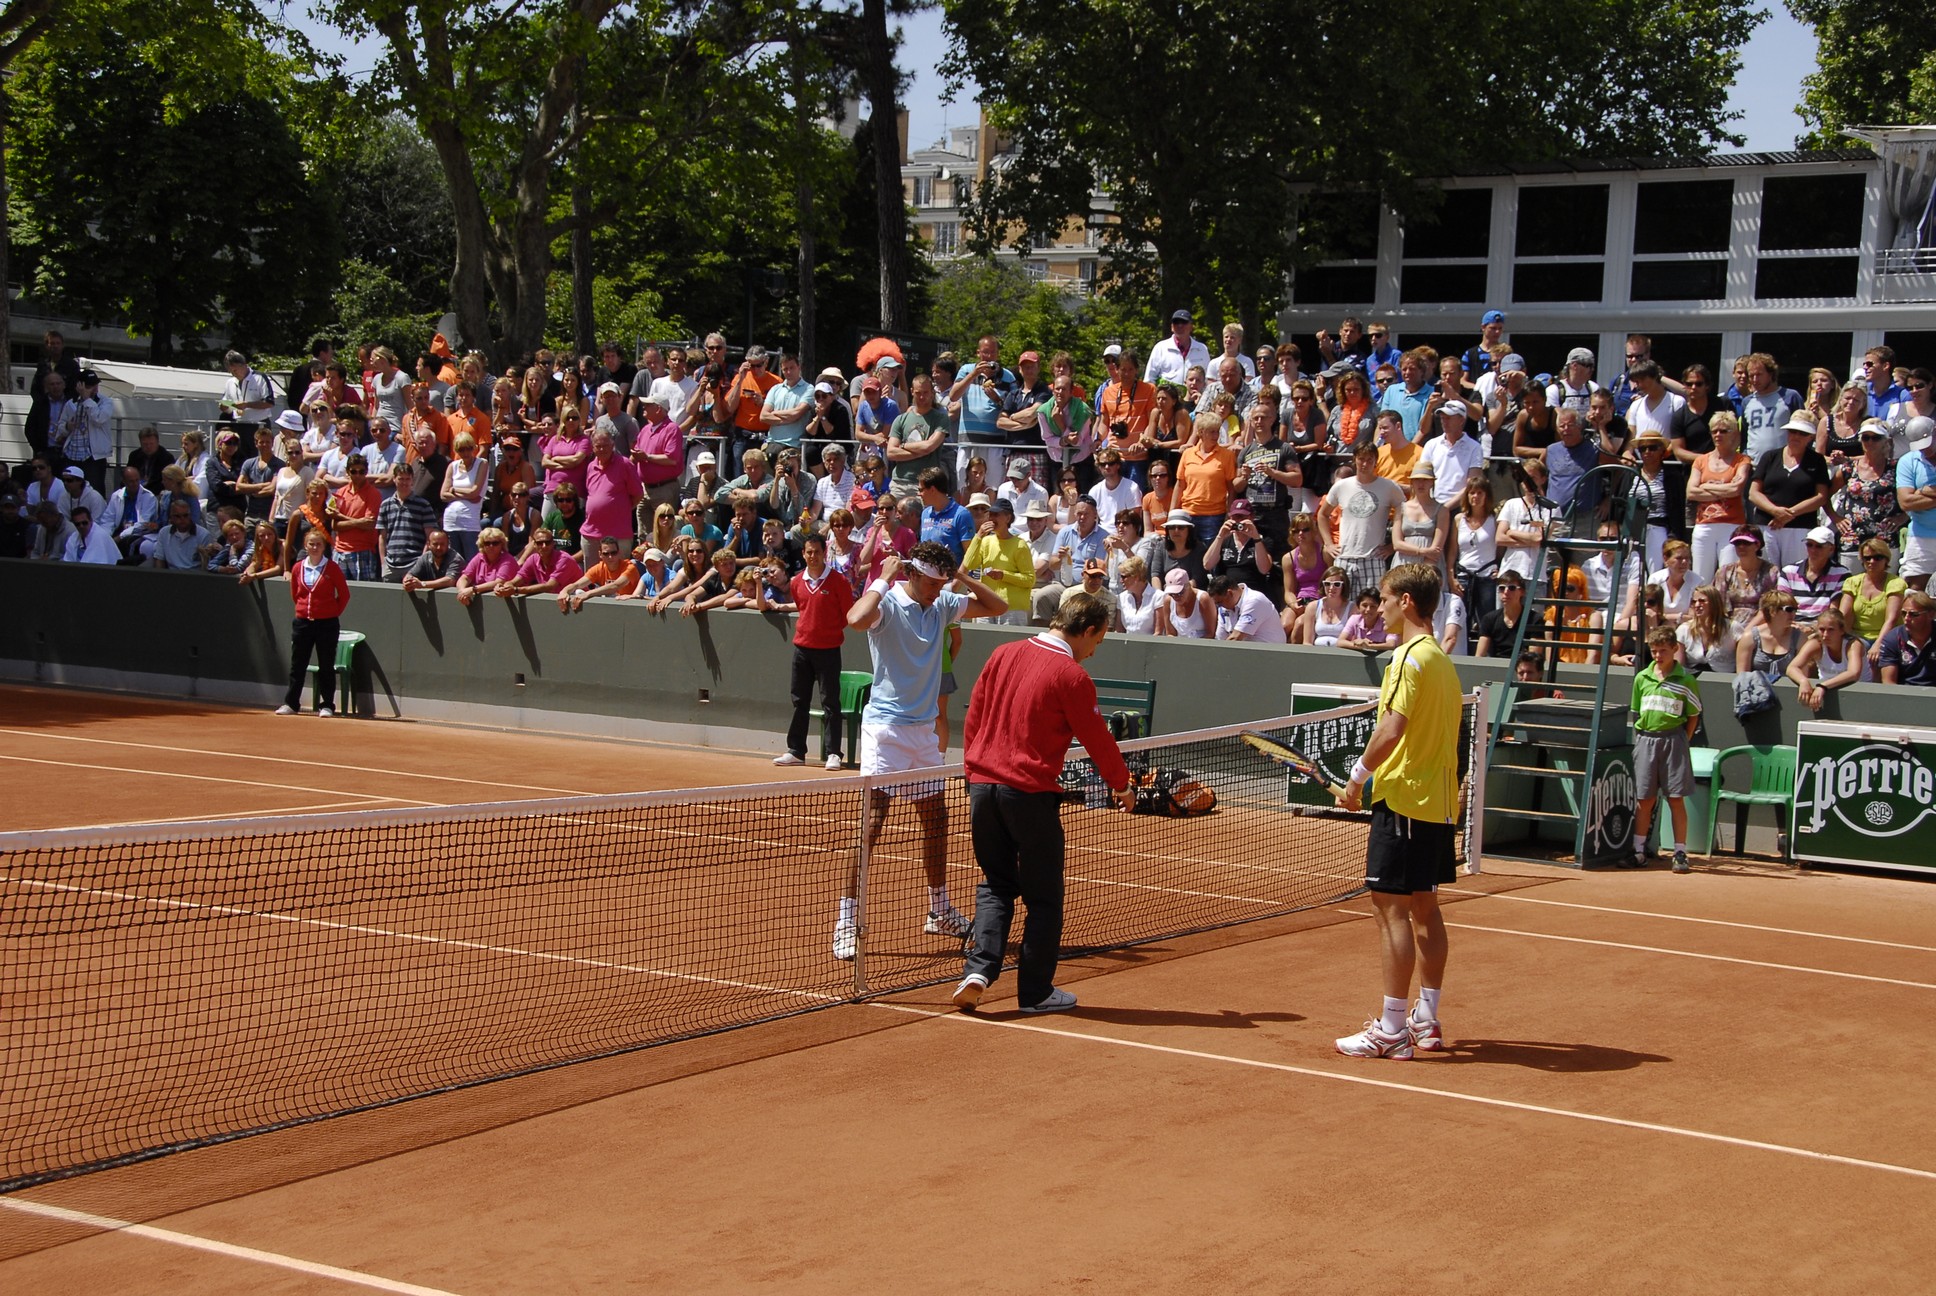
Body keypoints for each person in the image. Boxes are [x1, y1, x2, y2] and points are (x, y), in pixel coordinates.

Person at [950, 593, 1134, 1015]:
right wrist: (1122, 786)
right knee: (1043, 897)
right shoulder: (1072, 676)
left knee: (996, 885)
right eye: (1098, 641)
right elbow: (1097, 738)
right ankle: (1035, 993)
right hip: (1028, 796)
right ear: (1086, 630)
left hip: (983, 789)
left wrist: (972, 775)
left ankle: (978, 971)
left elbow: (974, 719)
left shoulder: (1002, 652)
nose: (1094, 650)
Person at [831, 544, 1007, 961]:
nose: (936, 590)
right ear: (910, 574)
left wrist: (959, 577)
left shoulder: (943, 603)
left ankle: (939, 909)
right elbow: (854, 619)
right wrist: (881, 576)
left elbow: (997, 604)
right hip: (886, 732)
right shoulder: (886, 604)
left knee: (937, 820)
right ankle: (846, 919)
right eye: (931, 583)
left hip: (924, 732)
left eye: (940, 583)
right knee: (872, 824)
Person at [1333, 563, 1461, 1059]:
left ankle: (1391, 1027)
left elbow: (1393, 726)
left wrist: (1357, 777)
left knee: (1390, 910)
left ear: (1406, 601)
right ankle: (1426, 1020)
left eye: (1385, 599)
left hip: (1405, 798)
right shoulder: (1444, 663)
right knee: (1425, 908)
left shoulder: (1407, 659)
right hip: (1436, 804)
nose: (1378, 608)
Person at [767, 532, 856, 770]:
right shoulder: (796, 582)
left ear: (824, 553)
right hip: (802, 650)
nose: (813, 556)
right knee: (799, 701)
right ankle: (796, 750)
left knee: (830, 702)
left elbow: (847, 614)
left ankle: (833, 753)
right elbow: (801, 606)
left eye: (817, 552)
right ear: (804, 554)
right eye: (808, 552)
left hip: (828, 650)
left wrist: (828, 632)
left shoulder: (838, 581)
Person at [1627, 627, 1702, 874]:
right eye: (1654, 651)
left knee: (1675, 799)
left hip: (1674, 742)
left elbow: (1693, 715)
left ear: (1675, 649)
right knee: (1644, 800)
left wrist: (1683, 740)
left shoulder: (1686, 680)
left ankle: (1680, 852)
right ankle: (1639, 851)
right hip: (1646, 741)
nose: (1658, 656)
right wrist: (1642, 742)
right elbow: (1637, 712)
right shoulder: (1641, 678)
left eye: (1663, 651)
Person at [277, 527, 351, 717]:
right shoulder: (297, 567)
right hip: (303, 623)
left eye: (318, 544)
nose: (315, 547)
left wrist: (331, 612)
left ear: (324, 547)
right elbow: (296, 593)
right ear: (305, 545)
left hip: (327, 624)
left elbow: (343, 595)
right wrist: (304, 609)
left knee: (326, 664)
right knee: (297, 664)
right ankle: (291, 703)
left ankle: (327, 705)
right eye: (311, 544)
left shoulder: (332, 568)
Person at [1320, 441, 1402, 596]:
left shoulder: (1389, 487)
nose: (1365, 464)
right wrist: (1328, 543)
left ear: (1375, 462)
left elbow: (1403, 511)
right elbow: (1322, 514)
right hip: (1344, 557)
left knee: (1373, 606)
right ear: (1354, 459)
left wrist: (1393, 546)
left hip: (1373, 557)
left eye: (1370, 460)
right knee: (1342, 604)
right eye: (1361, 459)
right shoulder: (1341, 486)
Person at [1787, 607, 1870, 711]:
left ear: (1842, 630)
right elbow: (1792, 668)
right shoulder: (1815, 644)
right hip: (1826, 695)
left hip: (1859, 695)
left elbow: (1853, 673)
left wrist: (1822, 686)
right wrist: (1803, 681)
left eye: (1831, 630)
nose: (1825, 635)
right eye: (1822, 629)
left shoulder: (1853, 645)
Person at [1877, 591, 1936, 685]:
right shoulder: (1893, 638)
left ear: (1931, 615)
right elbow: (1888, 682)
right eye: (1903, 613)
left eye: (1914, 614)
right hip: (1904, 694)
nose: (1906, 618)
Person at [1208, 573, 1287, 643]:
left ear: (1230, 593)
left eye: (1220, 602)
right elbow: (1220, 639)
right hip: (1246, 654)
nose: (1219, 606)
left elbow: (1236, 638)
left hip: (1270, 653)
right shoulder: (1223, 607)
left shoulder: (1255, 600)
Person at [1675, 586, 1737, 674]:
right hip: (1693, 681)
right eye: (1694, 602)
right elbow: (1678, 668)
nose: (1697, 605)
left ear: (1714, 603)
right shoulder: (1683, 630)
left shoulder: (1732, 627)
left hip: (1724, 679)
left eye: (1702, 601)